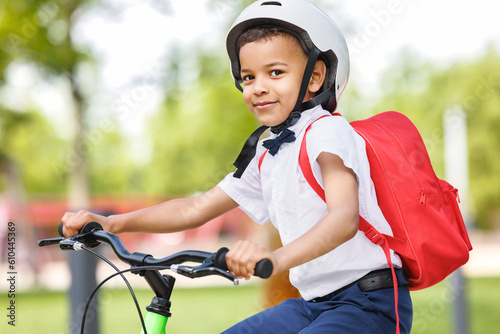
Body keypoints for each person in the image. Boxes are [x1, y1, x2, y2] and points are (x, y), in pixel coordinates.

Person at [61, 0, 413, 333]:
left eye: (275, 73)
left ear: (316, 78)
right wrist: (113, 222)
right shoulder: (269, 152)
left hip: (369, 302)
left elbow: (343, 218)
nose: (258, 88)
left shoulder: (326, 130)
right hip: (314, 303)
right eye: (248, 78)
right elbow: (195, 208)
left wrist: (273, 259)